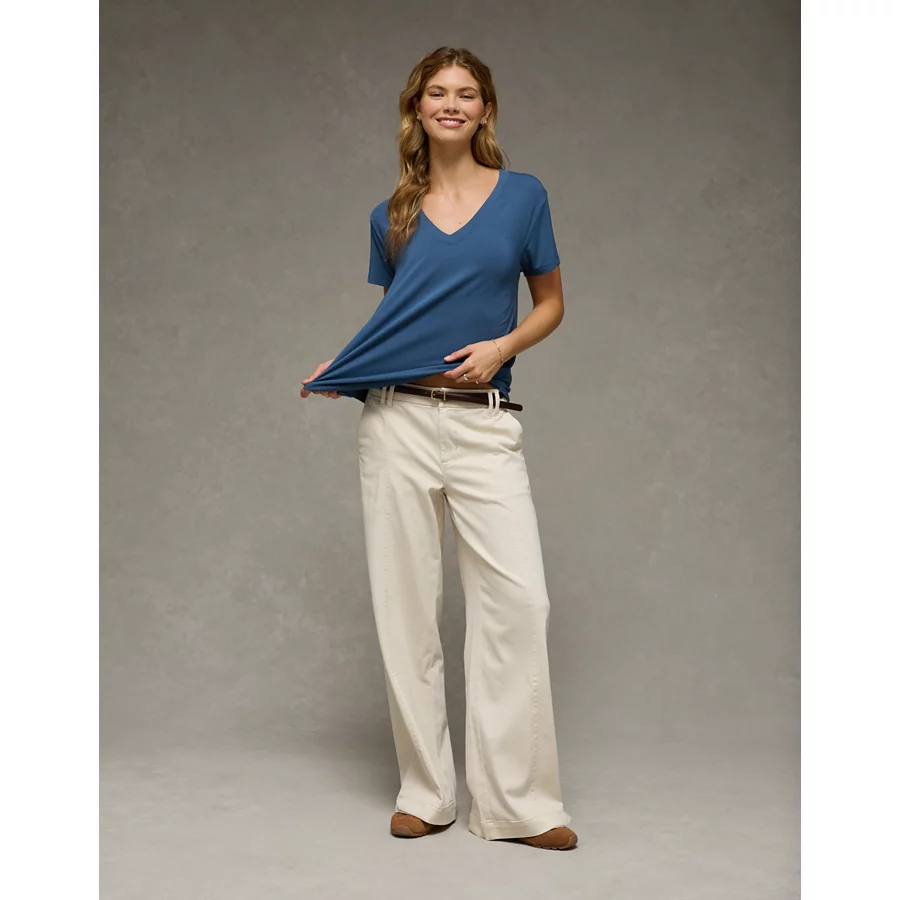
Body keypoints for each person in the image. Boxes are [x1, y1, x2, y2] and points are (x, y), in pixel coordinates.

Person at [300, 46, 576, 851]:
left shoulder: (524, 197)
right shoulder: (392, 214)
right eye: (437, 93)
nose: (451, 104)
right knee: (406, 610)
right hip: (397, 423)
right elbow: (402, 321)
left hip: (485, 422)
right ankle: (426, 792)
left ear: (485, 109)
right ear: (416, 108)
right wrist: (344, 367)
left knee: (519, 604)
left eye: (466, 93)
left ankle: (521, 806)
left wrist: (503, 346)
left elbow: (551, 303)